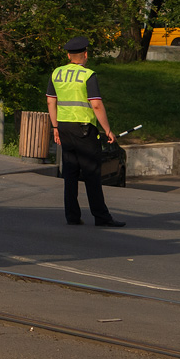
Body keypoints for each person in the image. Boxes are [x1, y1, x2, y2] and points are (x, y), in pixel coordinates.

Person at [46, 35, 125, 227]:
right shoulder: (88, 75)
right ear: (86, 54)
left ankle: (72, 216)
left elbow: (51, 101)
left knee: (70, 173)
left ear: (68, 55)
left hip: (64, 127)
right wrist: (107, 129)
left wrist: (55, 127)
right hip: (84, 130)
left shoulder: (56, 73)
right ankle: (101, 217)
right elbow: (96, 105)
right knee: (91, 173)